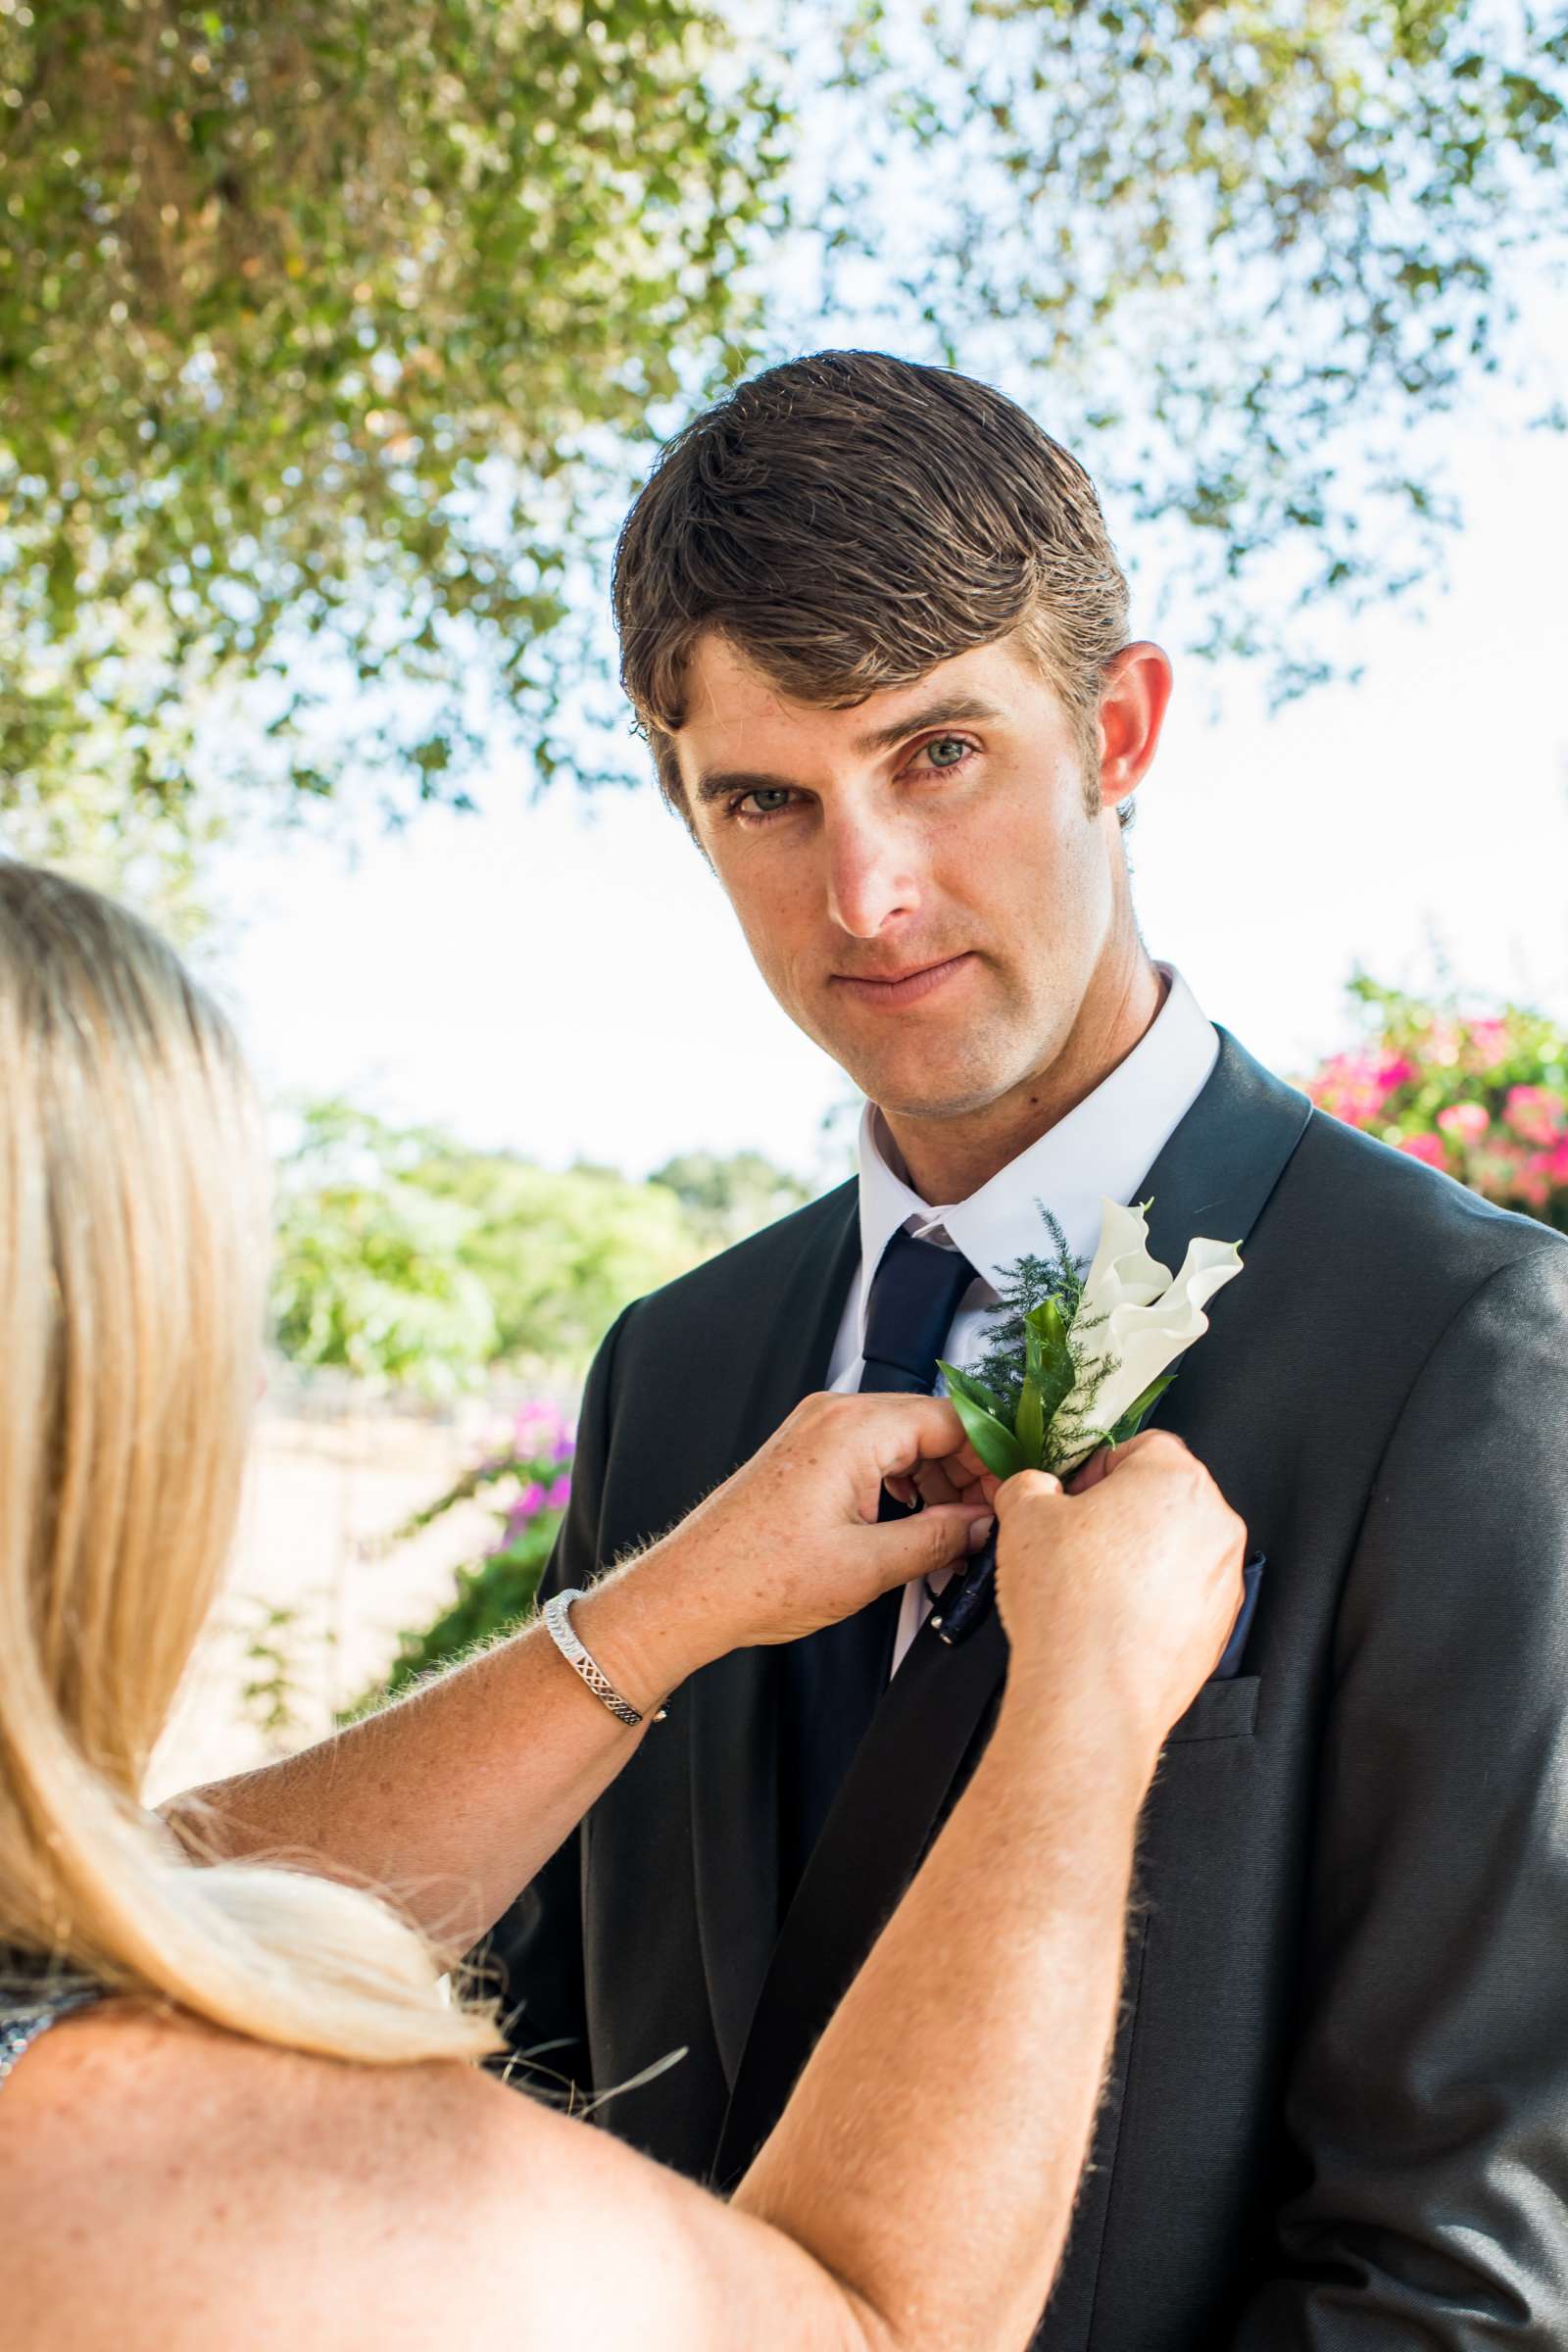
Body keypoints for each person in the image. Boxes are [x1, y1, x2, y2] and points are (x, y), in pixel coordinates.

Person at [485, 353, 1568, 2345]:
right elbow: (545, 2077)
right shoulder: (674, 1366)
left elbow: (1449, 2286)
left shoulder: (1460, 1354)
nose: (866, 894)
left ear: (1115, 728)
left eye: (935, 756)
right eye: (766, 799)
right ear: (680, 799)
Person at [0, 858, 1246, 2351]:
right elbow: (869, 2332)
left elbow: (129, 1911)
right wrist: (1084, 1709)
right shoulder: (131, 2164)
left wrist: (657, 1614)